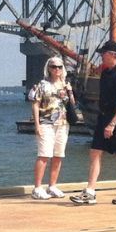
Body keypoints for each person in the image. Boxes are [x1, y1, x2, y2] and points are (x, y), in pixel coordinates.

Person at [70, 41, 116, 206]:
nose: (101, 55)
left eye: (104, 53)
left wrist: (113, 123)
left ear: (113, 55)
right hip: (103, 116)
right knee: (95, 152)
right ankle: (90, 191)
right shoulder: (106, 72)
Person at [28, 56, 74, 199]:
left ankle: (52, 186)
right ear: (48, 68)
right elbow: (35, 104)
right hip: (46, 123)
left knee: (58, 155)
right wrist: (37, 124)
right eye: (54, 66)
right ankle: (37, 188)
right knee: (44, 155)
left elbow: (72, 103)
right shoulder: (42, 84)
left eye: (60, 67)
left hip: (63, 123)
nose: (57, 69)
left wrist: (70, 91)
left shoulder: (65, 84)